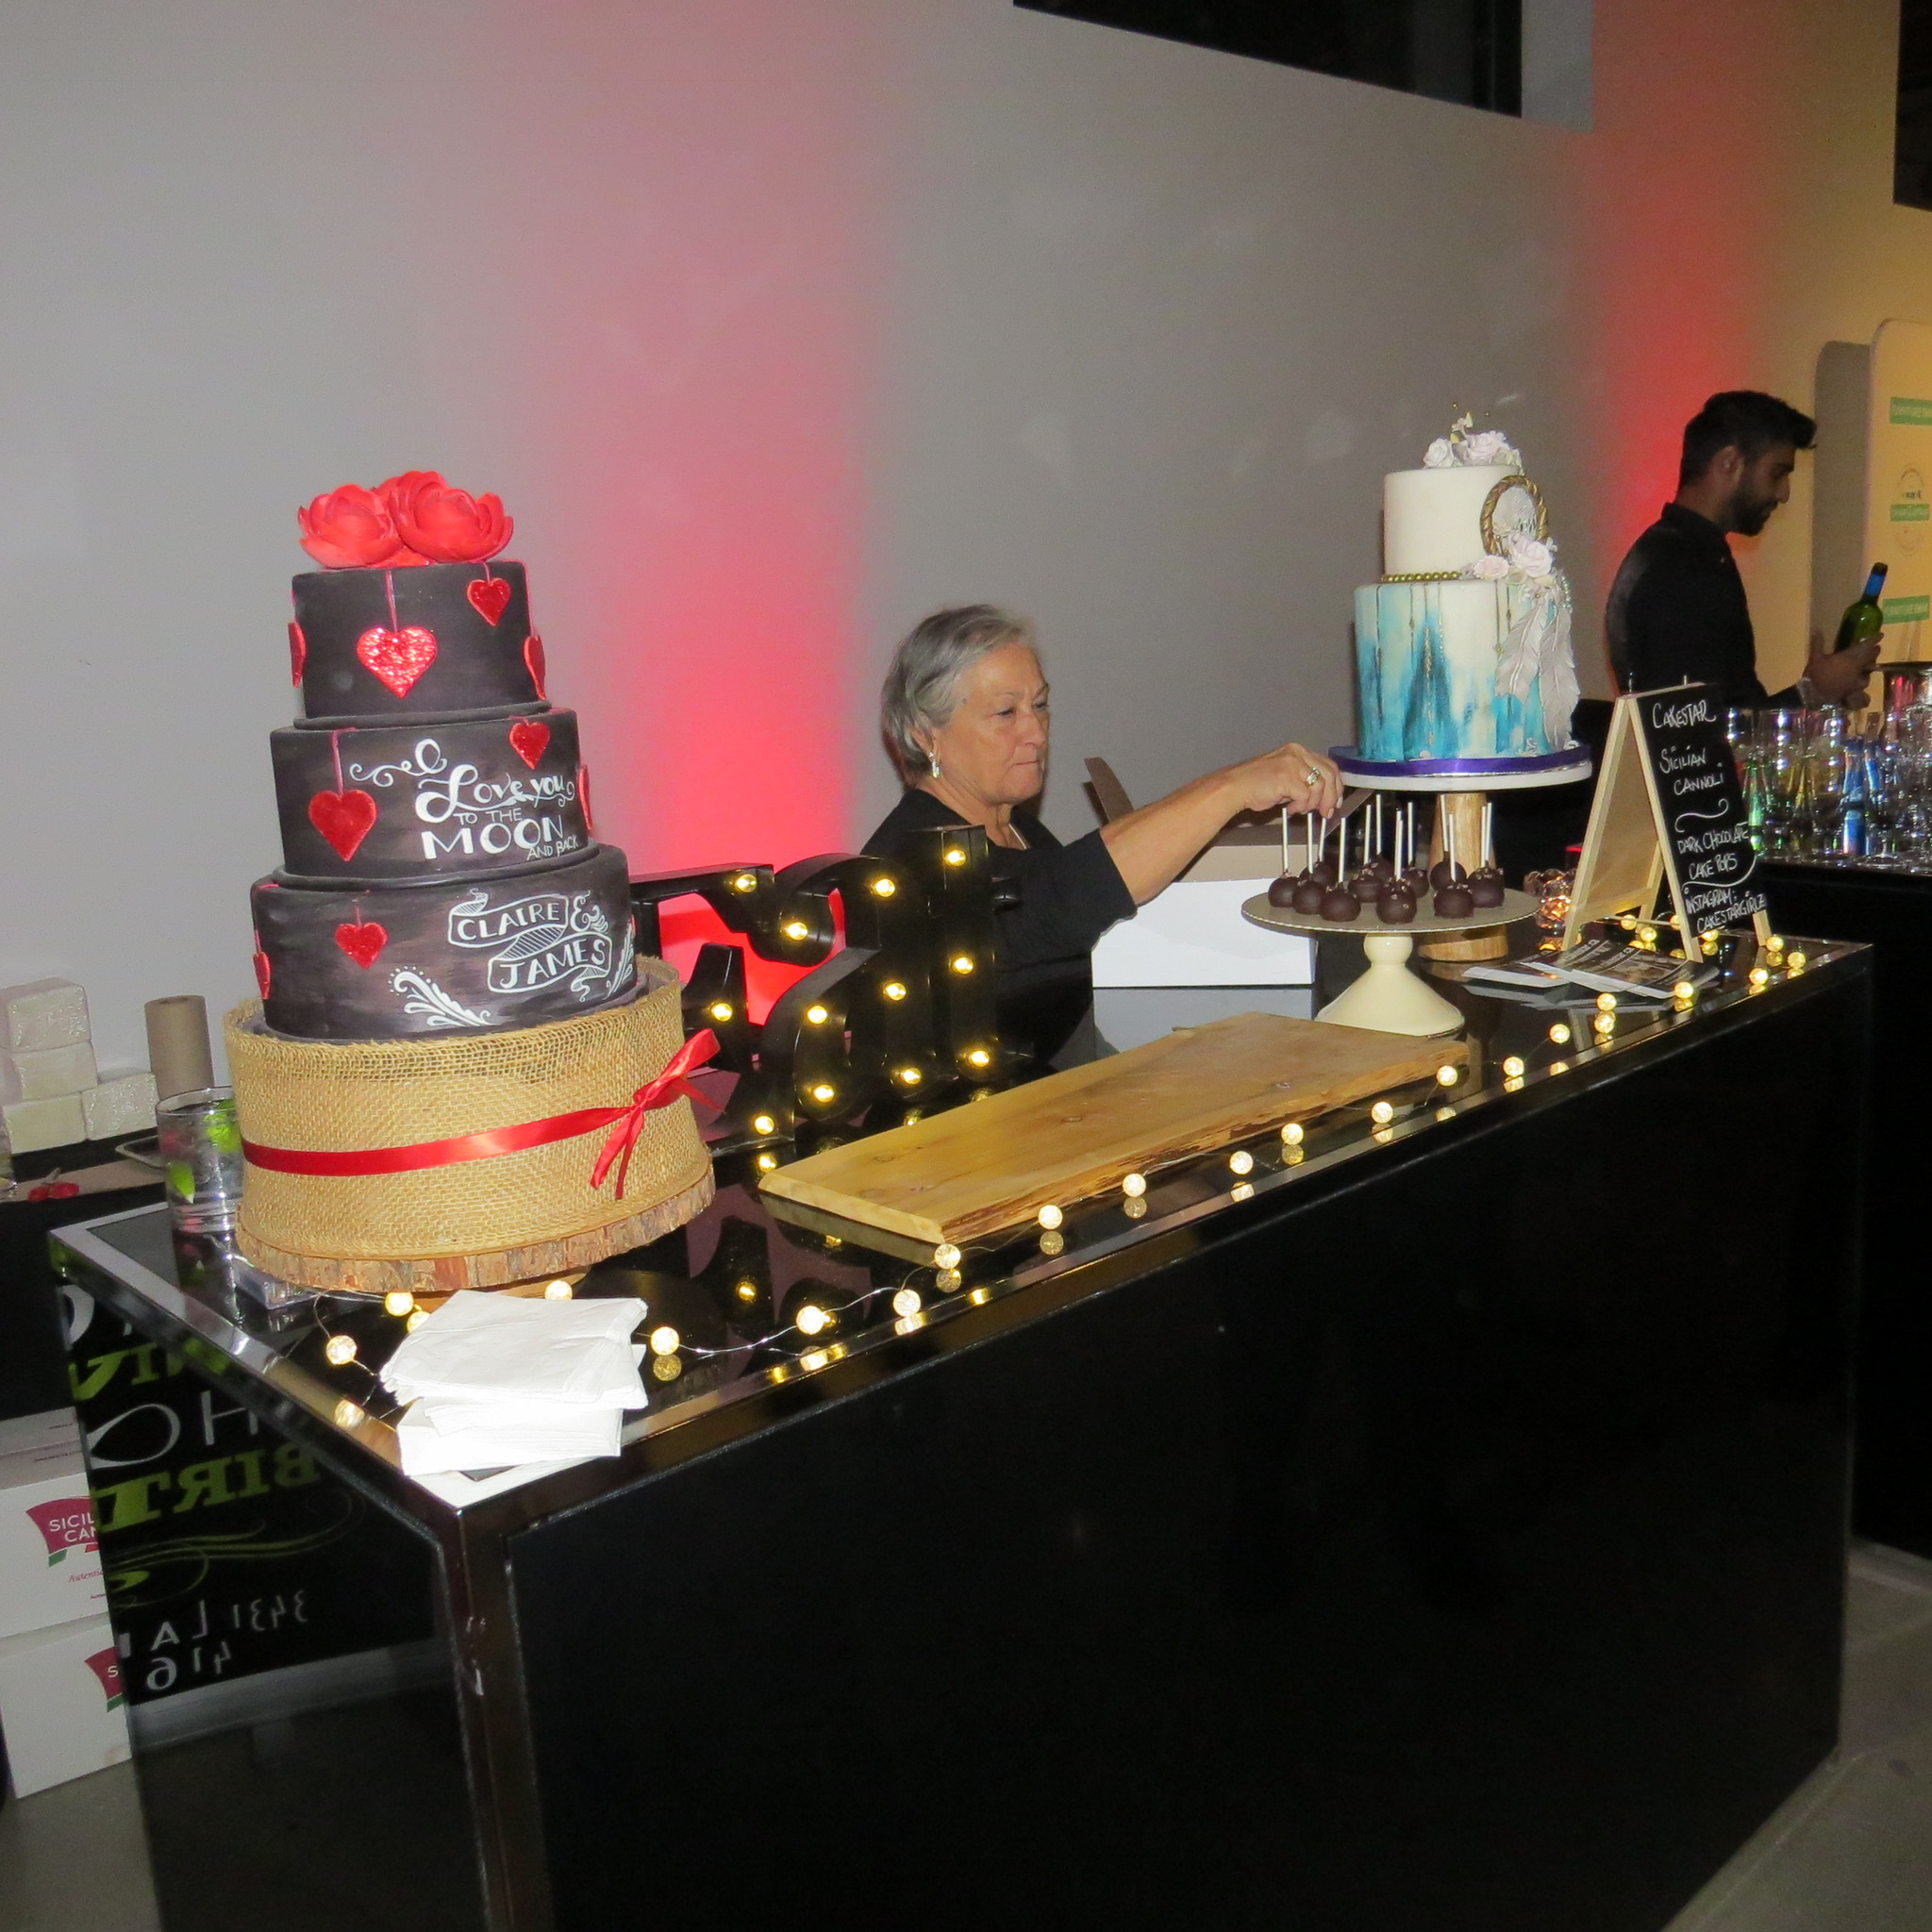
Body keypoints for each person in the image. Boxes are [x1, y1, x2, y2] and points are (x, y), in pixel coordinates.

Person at [865, 605, 1343, 1066]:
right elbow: (1061, 901)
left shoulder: (1018, 827)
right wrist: (1232, 788)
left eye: (1040, 705)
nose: (1036, 733)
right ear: (925, 734)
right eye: (1006, 713)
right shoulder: (913, 858)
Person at [1607, 390, 1878, 708]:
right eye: (1777, 473)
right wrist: (1812, 692)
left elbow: (1728, 709)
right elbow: (1697, 725)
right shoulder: (1680, 571)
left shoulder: (1683, 554)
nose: (1784, 493)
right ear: (1729, 463)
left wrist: (1819, 695)